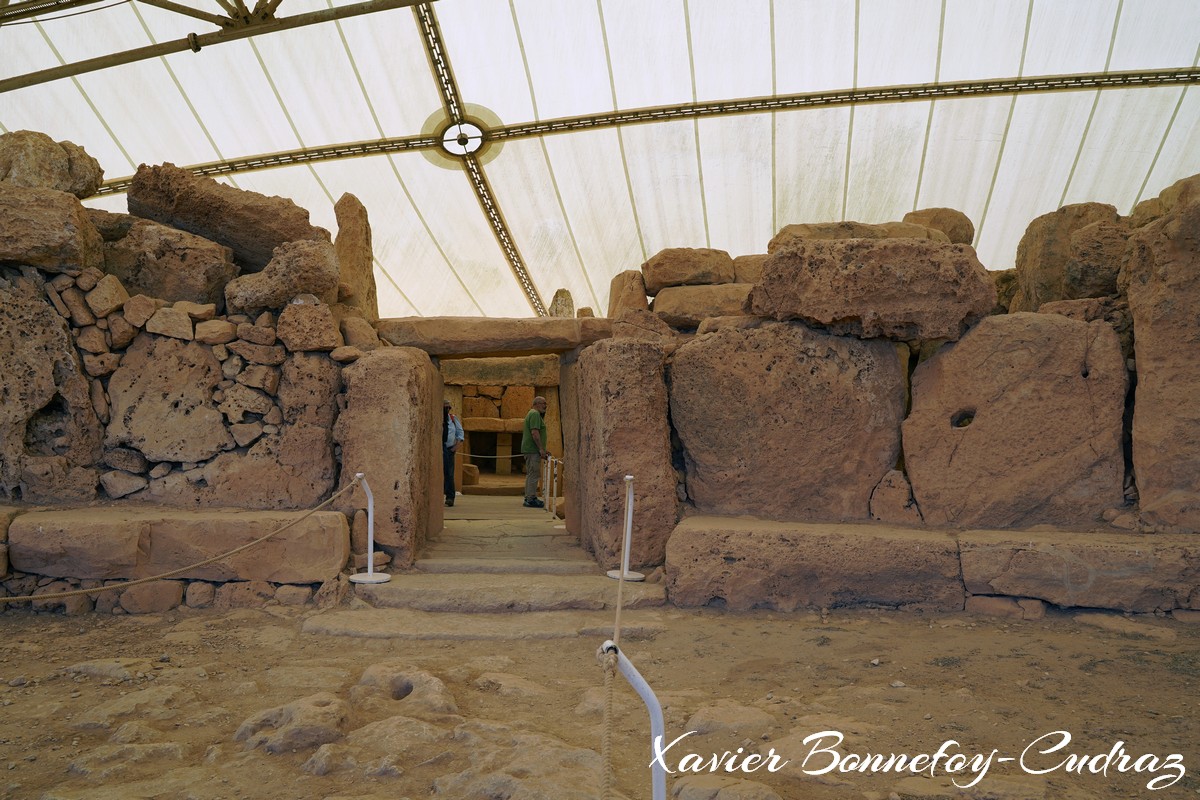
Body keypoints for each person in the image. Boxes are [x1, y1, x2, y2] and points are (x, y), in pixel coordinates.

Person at [521, 395, 548, 508]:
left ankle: (529, 496)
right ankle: (531, 498)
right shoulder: (535, 414)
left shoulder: (531, 413)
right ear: (536, 404)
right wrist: (541, 449)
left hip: (530, 449)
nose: (545, 406)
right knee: (534, 474)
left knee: (531, 473)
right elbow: (535, 433)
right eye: (543, 404)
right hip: (533, 450)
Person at [442, 399, 464, 507]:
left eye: (448, 407)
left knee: (449, 474)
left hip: (449, 449)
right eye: (445, 407)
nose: (447, 409)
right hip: (439, 448)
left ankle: (450, 497)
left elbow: (460, 433)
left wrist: (455, 447)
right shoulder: (438, 419)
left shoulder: (453, 418)